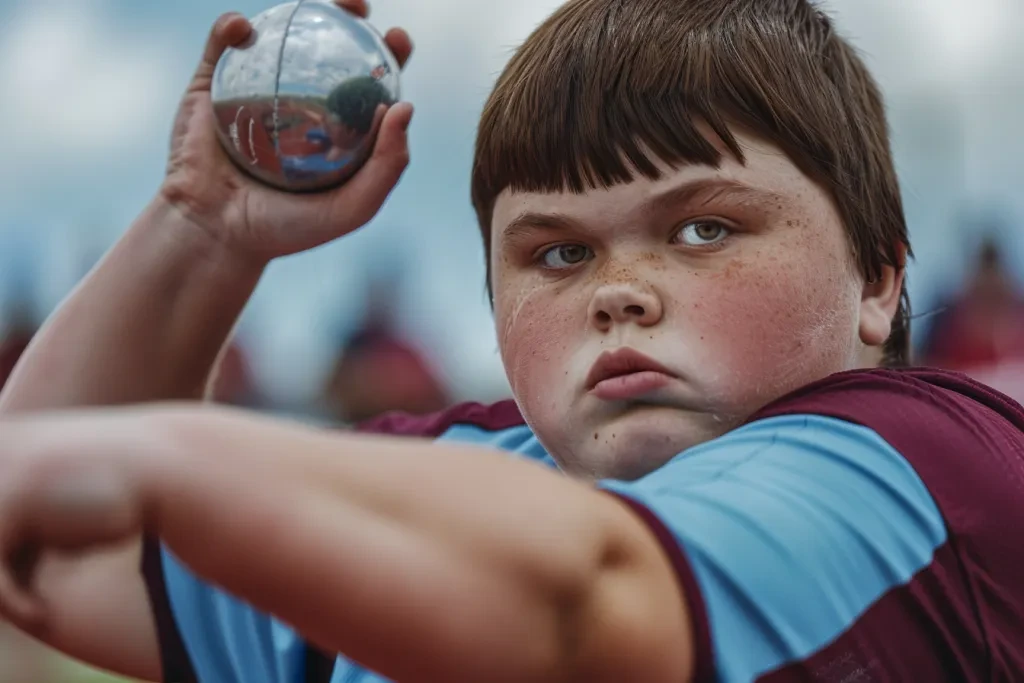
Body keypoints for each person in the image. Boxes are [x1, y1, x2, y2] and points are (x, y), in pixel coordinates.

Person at [0, 1, 1021, 682]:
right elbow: (41, 545)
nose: (620, 292)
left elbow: (585, 602)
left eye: (704, 229)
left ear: (880, 280)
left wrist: (161, 459)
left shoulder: (924, 464)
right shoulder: (456, 469)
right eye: (558, 254)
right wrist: (198, 233)